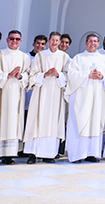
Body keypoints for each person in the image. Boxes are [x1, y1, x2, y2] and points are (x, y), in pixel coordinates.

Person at [24, 32, 70, 164]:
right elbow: (33, 76)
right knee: (36, 120)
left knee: (52, 121)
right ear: (49, 41)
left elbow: (68, 77)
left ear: (60, 42)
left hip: (56, 93)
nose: (55, 43)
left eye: (57, 41)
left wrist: (58, 75)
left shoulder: (64, 57)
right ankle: (32, 154)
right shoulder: (40, 55)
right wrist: (45, 74)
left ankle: (49, 154)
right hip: (41, 93)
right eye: (53, 40)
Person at [65, 33, 105, 163]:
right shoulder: (78, 58)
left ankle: (92, 153)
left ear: (98, 43)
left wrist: (102, 77)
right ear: (86, 43)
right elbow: (71, 75)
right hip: (82, 97)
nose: (93, 43)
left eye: (95, 41)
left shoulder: (104, 60)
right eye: (90, 41)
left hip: (97, 98)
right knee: (79, 123)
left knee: (95, 123)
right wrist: (87, 75)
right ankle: (77, 154)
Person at [0, 30, 31, 166]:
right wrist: (7, 75)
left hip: (17, 95)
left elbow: (28, 76)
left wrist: (19, 76)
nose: (14, 41)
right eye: (12, 39)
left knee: (13, 123)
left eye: (17, 39)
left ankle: (8, 155)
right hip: (2, 93)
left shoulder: (24, 57)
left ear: (21, 41)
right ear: (7, 40)